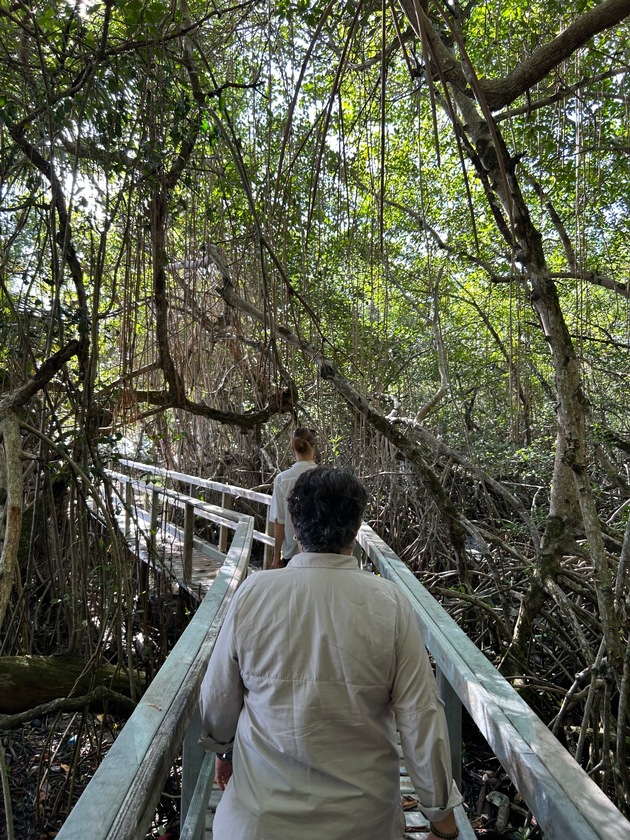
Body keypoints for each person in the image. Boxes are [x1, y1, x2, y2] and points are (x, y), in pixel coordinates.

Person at [198, 466, 463, 840]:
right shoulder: (389, 603)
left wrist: (222, 752)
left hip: (258, 824)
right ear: (356, 528)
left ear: (292, 524)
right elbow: (420, 717)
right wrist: (441, 820)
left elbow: (218, 696)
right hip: (364, 825)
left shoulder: (253, 593)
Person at [269, 427, 317, 568]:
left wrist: (276, 557)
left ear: (292, 448)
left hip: (291, 555)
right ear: (313, 447)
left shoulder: (282, 479)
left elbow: (279, 521)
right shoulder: (325, 476)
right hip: (320, 554)